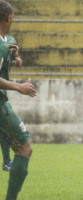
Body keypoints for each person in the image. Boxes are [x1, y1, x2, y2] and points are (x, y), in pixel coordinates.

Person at [0, 1, 37, 199]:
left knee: (16, 145)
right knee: (24, 148)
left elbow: (9, 52)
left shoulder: (6, 42)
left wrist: (14, 57)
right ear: (9, 17)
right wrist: (19, 87)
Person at [1, 34, 23, 172]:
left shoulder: (11, 40)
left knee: (4, 128)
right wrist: (19, 87)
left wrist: (17, 59)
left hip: (3, 88)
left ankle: (7, 161)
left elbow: (14, 56)